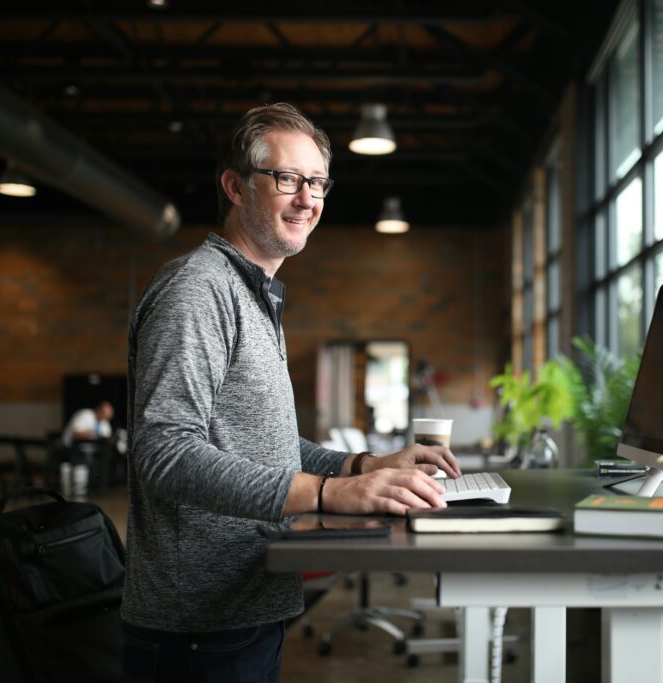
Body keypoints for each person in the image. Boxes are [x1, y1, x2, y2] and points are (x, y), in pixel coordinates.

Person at [121, 102, 461, 683]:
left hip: (243, 606)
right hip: (198, 626)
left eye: (318, 182)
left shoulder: (254, 294)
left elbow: (266, 446)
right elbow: (164, 453)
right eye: (288, 179)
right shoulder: (199, 290)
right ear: (234, 185)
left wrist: (363, 465)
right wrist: (328, 494)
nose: (308, 199)